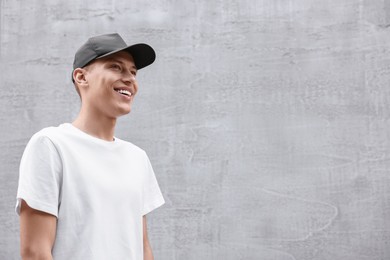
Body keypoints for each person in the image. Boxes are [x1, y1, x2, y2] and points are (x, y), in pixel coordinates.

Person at [15, 33, 165, 260]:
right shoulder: (51, 145)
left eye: (133, 72)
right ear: (81, 77)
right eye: (116, 67)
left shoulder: (137, 158)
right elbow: (35, 252)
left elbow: (143, 248)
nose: (130, 79)